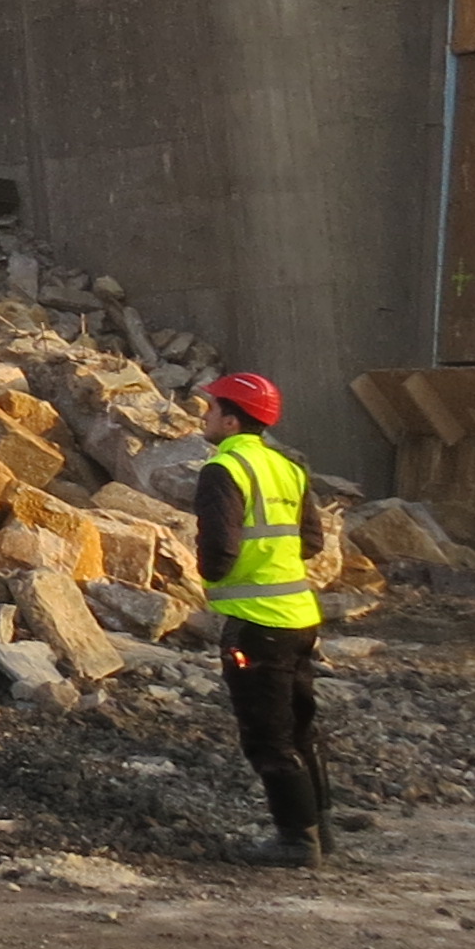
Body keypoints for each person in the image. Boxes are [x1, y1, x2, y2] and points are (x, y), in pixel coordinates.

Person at [194, 371, 337, 866]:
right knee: (300, 729)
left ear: (231, 421)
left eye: (212, 408)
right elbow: (312, 542)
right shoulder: (287, 468)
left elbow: (219, 551)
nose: (205, 415)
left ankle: (297, 842)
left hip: (256, 622)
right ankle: (320, 830)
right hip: (299, 617)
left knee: (267, 737)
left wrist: (218, 575)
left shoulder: (224, 469)